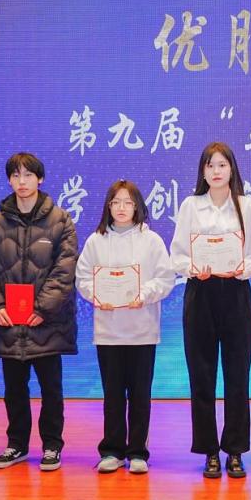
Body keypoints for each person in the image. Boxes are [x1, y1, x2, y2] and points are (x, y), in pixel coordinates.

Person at [0, 152, 79, 471]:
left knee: (51, 390)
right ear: (9, 180)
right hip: (9, 321)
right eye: (16, 175)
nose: (22, 181)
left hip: (48, 323)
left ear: (40, 179)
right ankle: (16, 445)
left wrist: (43, 308)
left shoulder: (60, 220)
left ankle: (52, 446)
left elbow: (64, 270)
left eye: (28, 175)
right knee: (14, 390)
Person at [170, 142, 251, 479]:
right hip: (201, 294)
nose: (217, 171)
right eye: (211, 165)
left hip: (236, 293)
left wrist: (241, 268)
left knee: (238, 376)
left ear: (232, 169)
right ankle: (209, 450)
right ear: (203, 171)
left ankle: (234, 450)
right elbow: (177, 254)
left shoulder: (245, 205)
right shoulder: (191, 205)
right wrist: (194, 267)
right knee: (202, 376)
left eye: (223, 164)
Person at [75, 180, 175, 474]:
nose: (121, 208)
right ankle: (112, 450)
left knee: (140, 394)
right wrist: (97, 295)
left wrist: (143, 294)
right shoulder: (96, 241)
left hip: (142, 329)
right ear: (108, 206)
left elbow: (165, 278)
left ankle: (138, 452)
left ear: (137, 207)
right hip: (108, 331)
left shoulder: (151, 240)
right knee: (113, 395)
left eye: (127, 202)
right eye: (116, 202)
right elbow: (83, 278)